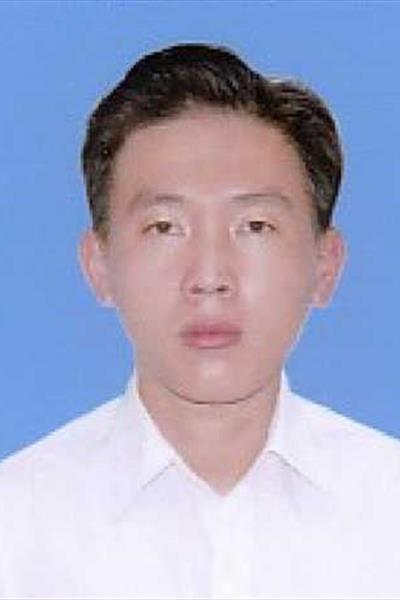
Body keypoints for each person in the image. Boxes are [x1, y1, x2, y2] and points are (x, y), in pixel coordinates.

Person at [1, 43, 399, 600]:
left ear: (325, 266)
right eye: (165, 227)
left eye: (254, 226)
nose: (209, 276)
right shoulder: (16, 523)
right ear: (99, 267)